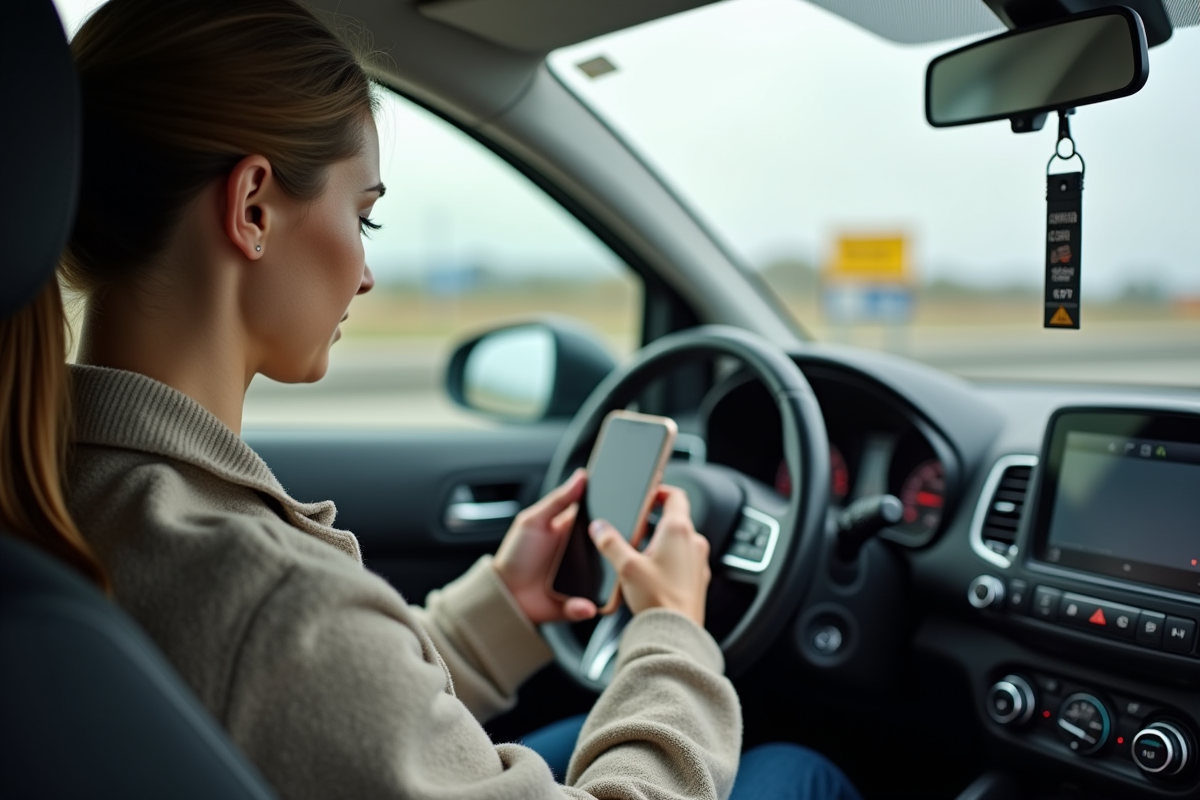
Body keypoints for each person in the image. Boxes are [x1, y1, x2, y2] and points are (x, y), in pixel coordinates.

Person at [60, 1, 862, 798]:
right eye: (364, 217)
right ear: (253, 208)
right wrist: (673, 636)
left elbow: (307, 709)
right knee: (799, 773)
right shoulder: (265, 591)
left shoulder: (64, 479)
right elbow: (294, 662)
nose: (366, 275)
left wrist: (503, 608)